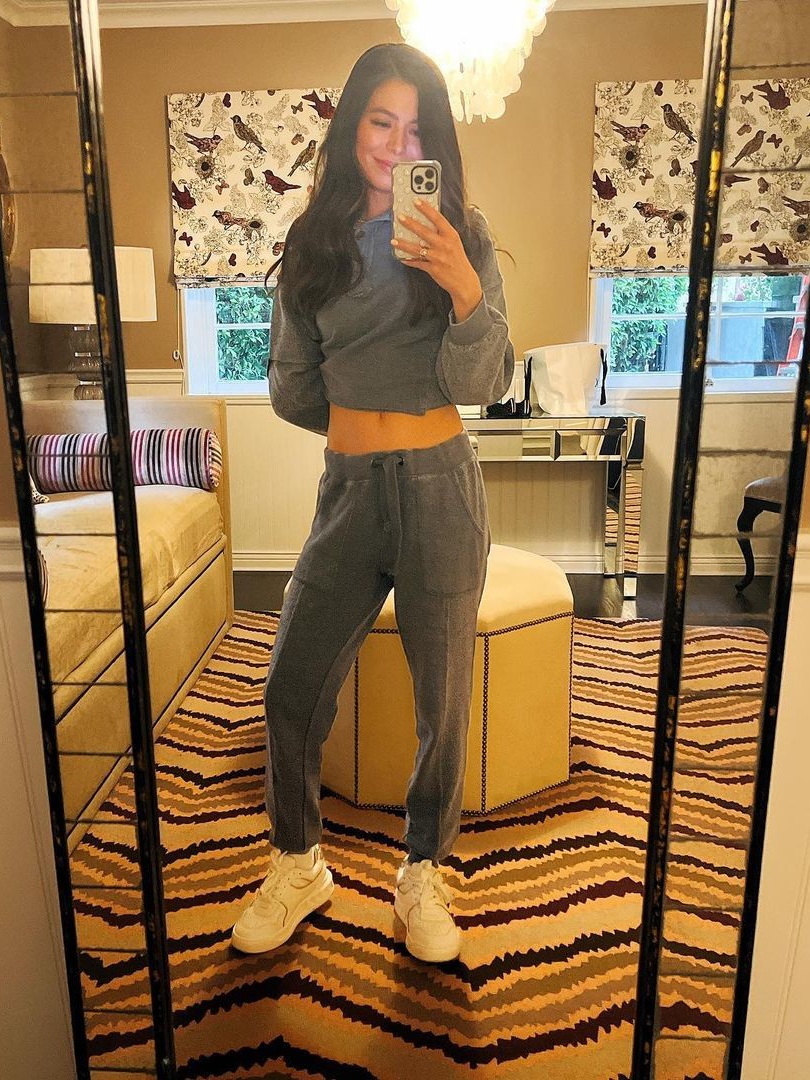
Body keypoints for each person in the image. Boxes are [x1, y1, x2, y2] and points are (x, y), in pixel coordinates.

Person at [230, 42, 514, 964]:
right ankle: (299, 862)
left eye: (417, 129)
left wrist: (462, 287)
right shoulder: (312, 245)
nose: (397, 144)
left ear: (438, 142)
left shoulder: (464, 235)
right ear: (353, 126)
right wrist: (359, 417)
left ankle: (422, 871)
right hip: (349, 493)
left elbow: (485, 382)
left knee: (443, 704)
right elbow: (290, 387)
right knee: (290, 686)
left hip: (441, 489)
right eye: (382, 122)